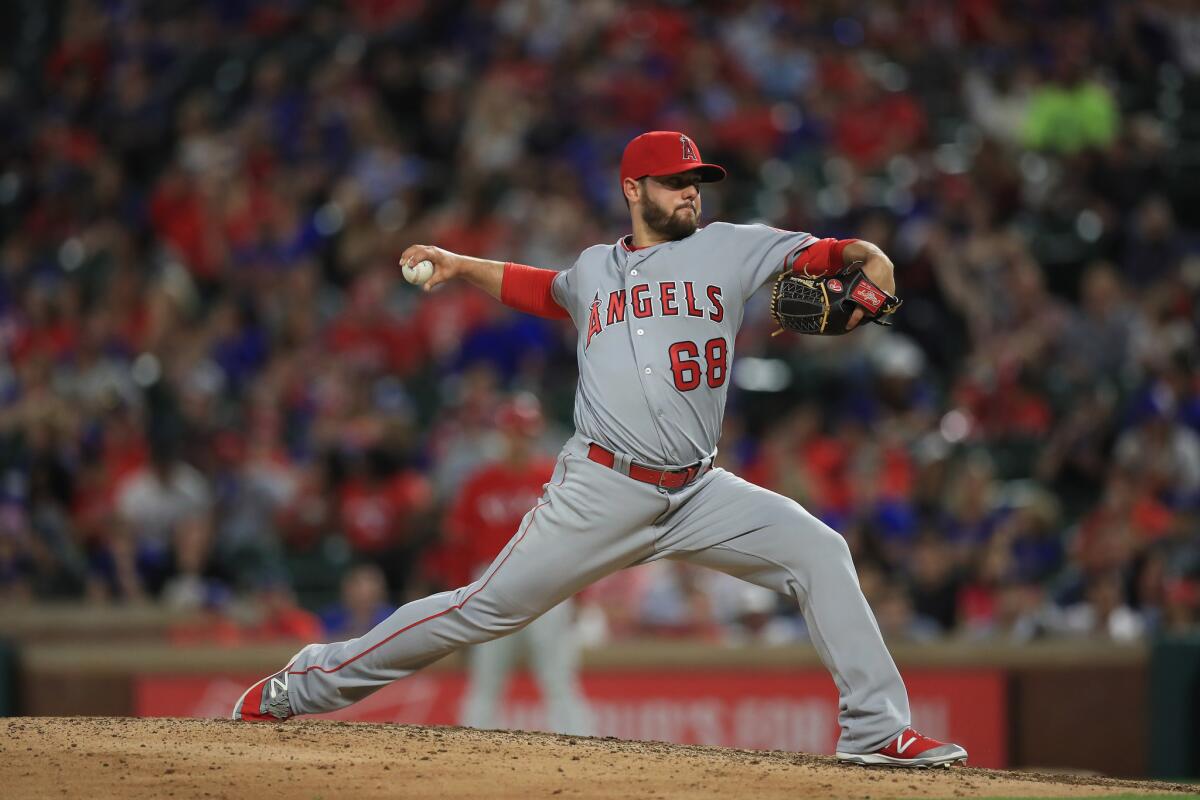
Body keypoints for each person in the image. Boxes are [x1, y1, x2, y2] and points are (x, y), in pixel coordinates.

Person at [233, 131, 968, 768]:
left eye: (697, 181)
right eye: (676, 182)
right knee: (479, 611)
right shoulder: (591, 271)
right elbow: (539, 287)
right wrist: (459, 263)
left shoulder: (734, 248)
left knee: (821, 552)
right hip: (601, 488)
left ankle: (876, 730)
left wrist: (871, 275)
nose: (691, 193)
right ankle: (301, 685)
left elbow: (858, 258)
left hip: (698, 492)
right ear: (633, 188)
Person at [435, 394, 591, 735]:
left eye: (527, 433)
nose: (521, 440)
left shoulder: (555, 477)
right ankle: (472, 757)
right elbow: (459, 547)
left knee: (558, 677)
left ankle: (582, 751)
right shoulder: (479, 483)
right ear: (502, 435)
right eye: (514, 432)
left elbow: (578, 543)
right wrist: (459, 597)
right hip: (493, 581)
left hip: (547, 582)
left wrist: (579, 594)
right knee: (486, 678)